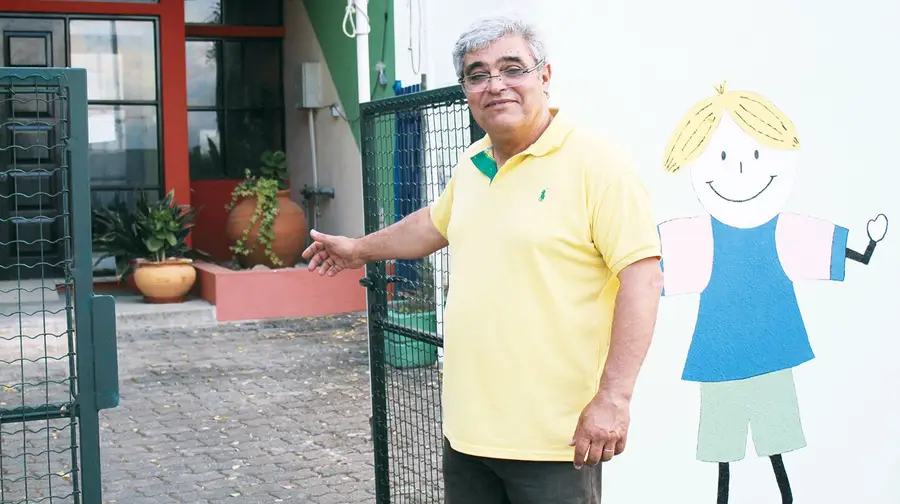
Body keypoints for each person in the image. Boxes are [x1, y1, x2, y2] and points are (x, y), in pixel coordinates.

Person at [302, 15, 663, 504]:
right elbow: (434, 224)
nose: (496, 85)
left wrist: (614, 398)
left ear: (545, 76)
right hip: (468, 435)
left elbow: (642, 279)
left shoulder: (596, 164)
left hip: (557, 441)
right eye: (478, 74)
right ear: (467, 90)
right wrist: (357, 250)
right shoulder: (472, 164)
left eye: (512, 68)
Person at [658, 83, 889, 504]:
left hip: (771, 357)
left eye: (758, 155)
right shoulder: (698, 236)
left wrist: (869, 247)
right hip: (719, 361)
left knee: (776, 445)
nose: (742, 169)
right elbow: (649, 272)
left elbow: (835, 250)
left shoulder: (784, 229)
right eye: (724, 157)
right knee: (722, 452)